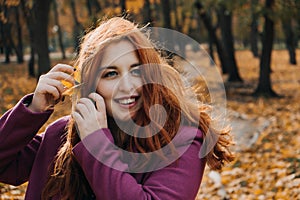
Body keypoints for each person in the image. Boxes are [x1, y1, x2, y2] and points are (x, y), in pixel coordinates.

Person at [0, 17, 234, 200]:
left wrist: (97, 144)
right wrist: (32, 110)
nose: (128, 86)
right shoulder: (61, 136)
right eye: (111, 74)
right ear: (91, 84)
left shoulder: (181, 139)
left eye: (136, 70)